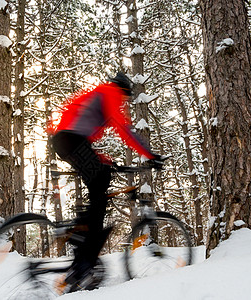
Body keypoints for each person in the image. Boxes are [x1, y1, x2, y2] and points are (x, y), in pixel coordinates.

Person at [49, 72, 161, 292]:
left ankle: (81, 240)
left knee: (100, 178)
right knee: (99, 186)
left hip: (67, 140)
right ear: (124, 90)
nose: (124, 103)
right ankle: (84, 256)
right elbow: (123, 128)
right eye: (126, 98)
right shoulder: (111, 93)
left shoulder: (99, 93)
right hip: (71, 139)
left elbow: (82, 131)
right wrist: (149, 155)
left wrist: (107, 161)